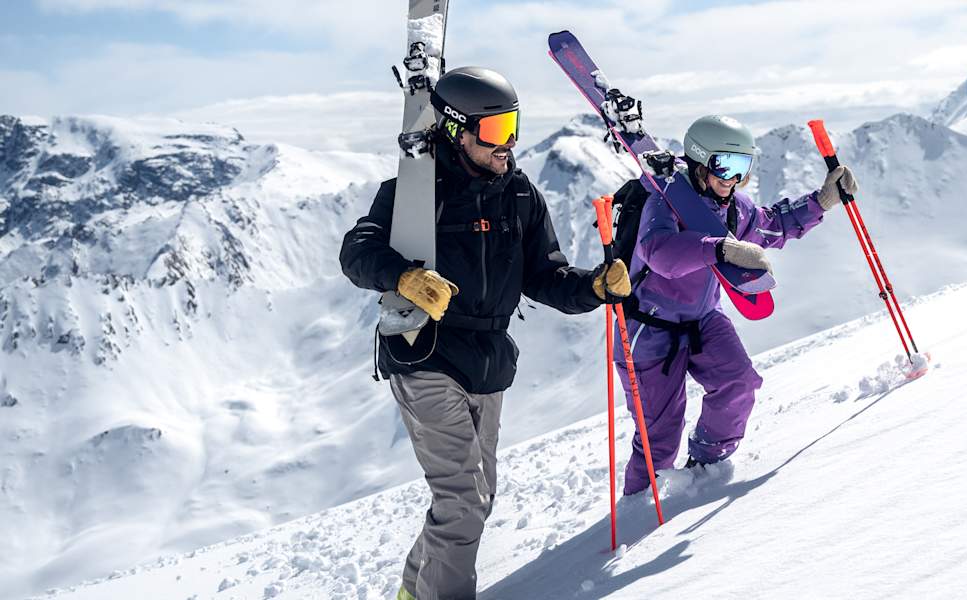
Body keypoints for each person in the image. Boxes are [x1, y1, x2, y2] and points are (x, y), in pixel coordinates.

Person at [339, 66, 631, 600]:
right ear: (456, 130)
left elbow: (545, 276)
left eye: (513, 127)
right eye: (495, 131)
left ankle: (414, 592)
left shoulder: (519, 195)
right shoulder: (414, 191)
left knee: (477, 497)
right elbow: (356, 252)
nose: (508, 143)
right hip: (425, 351)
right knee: (462, 501)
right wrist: (403, 276)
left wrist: (593, 287)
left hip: (488, 360)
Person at [614, 114, 858, 496]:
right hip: (649, 329)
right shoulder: (662, 201)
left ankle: (707, 466)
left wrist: (821, 201)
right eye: (725, 165)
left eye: (742, 168)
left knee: (739, 383)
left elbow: (772, 225)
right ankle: (639, 507)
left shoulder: (732, 207)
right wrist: (721, 248)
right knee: (659, 434)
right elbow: (660, 253)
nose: (733, 179)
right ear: (699, 160)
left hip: (703, 319)